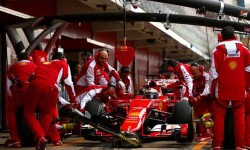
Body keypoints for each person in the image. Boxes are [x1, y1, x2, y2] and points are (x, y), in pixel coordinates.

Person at [23, 52, 78, 150]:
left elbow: (31, 77)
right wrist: (73, 100)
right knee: (47, 114)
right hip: (52, 88)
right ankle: (42, 138)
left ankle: (40, 137)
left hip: (35, 86)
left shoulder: (42, 64)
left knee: (28, 112)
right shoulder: (64, 65)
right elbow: (69, 84)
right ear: (63, 59)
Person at [209, 26, 250, 150]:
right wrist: (247, 88)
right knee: (239, 117)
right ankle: (240, 145)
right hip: (239, 89)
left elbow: (213, 73)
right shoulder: (245, 50)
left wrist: (212, 90)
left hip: (222, 89)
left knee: (219, 117)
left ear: (220, 37)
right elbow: (249, 70)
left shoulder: (216, 52)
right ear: (235, 36)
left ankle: (217, 145)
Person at [5, 52, 37, 148]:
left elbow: (8, 86)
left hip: (19, 93)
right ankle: (40, 137)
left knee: (11, 111)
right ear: (29, 58)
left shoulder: (13, 67)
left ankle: (15, 139)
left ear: (18, 59)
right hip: (33, 94)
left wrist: (12, 97)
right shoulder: (35, 66)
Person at [189, 63, 213, 142]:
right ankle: (203, 132)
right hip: (201, 100)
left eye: (194, 73)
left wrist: (198, 97)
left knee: (204, 115)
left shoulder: (207, 77)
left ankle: (207, 134)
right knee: (198, 115)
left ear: (200, 70)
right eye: (192, 73)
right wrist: (192, 97)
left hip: (209, 99)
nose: (193, 75)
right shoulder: (194, 79)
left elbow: (207, 89)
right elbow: (193, 89)